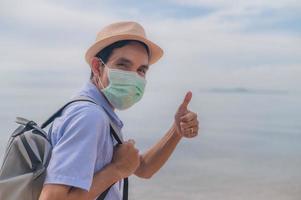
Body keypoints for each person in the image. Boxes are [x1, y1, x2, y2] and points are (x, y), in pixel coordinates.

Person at [39, 21, 199, 200]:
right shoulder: (90, 116)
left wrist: (176, 131)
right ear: (97, 67)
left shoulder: (100, 112)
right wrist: (116, 170)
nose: (133, 76)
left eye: (141, 70)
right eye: (123, 65)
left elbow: (143, 169)